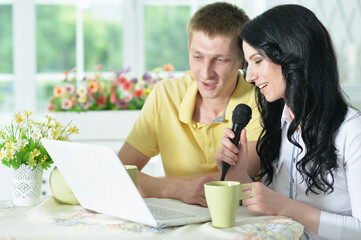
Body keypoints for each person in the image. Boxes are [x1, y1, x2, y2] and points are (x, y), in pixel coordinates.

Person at [215, 4, 361, 239]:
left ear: (293, 53)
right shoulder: (280, 124)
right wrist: (238, 175)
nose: (249, 76)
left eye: (258, 60)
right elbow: (269, 205)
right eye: (247, 64)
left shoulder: (353, 131)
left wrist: (283, 206)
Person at [118, 2, 262, 207]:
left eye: (220, 60)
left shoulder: (258, 99)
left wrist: (154, 185)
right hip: (175, 219)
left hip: (239, 219)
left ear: (242, 60)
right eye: (197, 57)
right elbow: (121, 172)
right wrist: (175, 189)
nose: (205, 73)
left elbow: (233, 180)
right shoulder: (165, 94)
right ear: (188, 49)